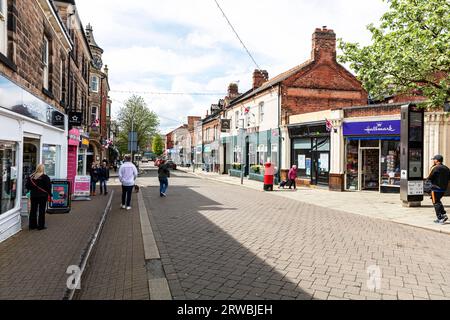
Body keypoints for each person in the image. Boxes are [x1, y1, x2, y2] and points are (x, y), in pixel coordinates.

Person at [25, 164, 51, 231]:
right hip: (42, 196)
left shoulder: (31, 177)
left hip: (33, 195)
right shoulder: (45, 177)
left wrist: (33, 189)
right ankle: (40, 226)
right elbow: (48, 187)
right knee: (41, 211)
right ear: (43, 169)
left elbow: (27, 186)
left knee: (33, 210)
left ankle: (32, 225)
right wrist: (50, 194)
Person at [427, 155, 450, 224]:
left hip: (435, 188)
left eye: (434, 159)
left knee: (436, 203)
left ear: (437, 160)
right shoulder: (446, 168)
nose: (433, 161)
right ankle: (443, 214)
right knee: (438, 201)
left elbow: (430, 177)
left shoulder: (436, 168)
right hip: (443, 189)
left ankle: (440, 217)